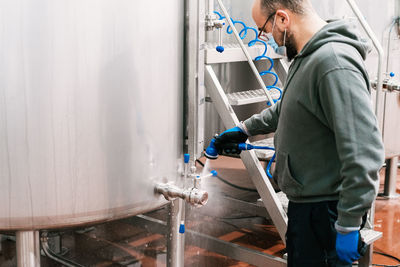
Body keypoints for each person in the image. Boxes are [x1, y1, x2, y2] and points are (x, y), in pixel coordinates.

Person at [211, 0, 385, 266]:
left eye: (264, 29)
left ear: (282, 18)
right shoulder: (310, 57)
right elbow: (291, 105)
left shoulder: (333, 62)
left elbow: (365, 153)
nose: (267, 38)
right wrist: (245, 129)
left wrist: (348, 224)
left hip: (327, 212)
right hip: (309, 206)